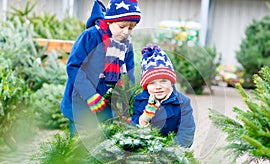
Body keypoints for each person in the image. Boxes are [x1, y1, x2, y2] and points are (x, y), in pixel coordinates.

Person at [60, 0, 141, 137]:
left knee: (104, 142)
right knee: (80, 145)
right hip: (81, 101)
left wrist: (129, 107)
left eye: (131, 28)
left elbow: (130, 76)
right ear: (110, 21)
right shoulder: (90, 36)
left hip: (106, 105)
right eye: (122, 26)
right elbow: (73, 67)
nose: (126, 32)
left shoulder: (127, 45)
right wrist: (90, 95)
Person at [131, 44, 196, 148]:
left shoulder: (182, 102)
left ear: (171, 82)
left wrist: (169, 150)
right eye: (152, 83)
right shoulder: (140, 100)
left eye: (163, 81)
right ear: (146, 85)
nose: (158, 87)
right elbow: (133, 129)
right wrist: (144, 119)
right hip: (146, 150)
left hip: (172, 150)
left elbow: (186, 131)